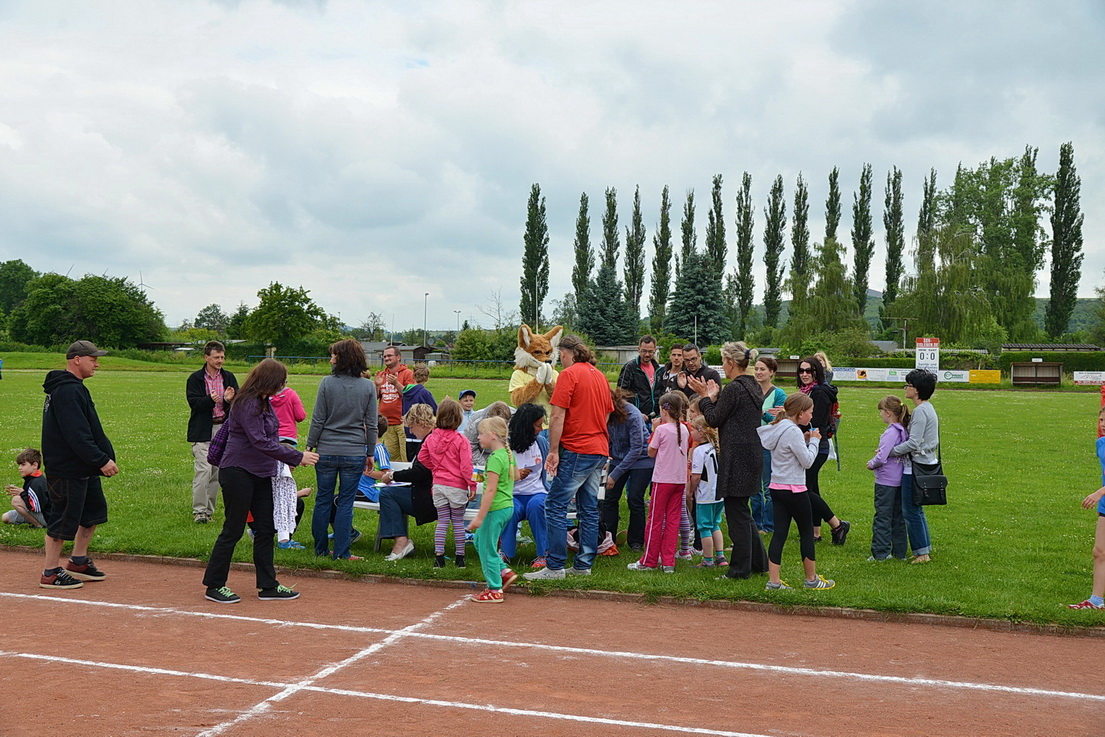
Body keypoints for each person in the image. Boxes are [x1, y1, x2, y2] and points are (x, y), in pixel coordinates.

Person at [202, 358, 319, 603]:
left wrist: (286, 459)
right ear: (268, 380)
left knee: (266, 528)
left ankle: (268, 585)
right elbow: (260, 441)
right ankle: (214, 585)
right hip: (238, 472)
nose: (282, 387)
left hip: (261, 474)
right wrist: (297, 456)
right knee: (232, 529)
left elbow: (272, 440)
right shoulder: (246, 402)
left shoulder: (265, 403)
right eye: (280, 382)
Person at [524, 334, 613, 580]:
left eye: (560, 354)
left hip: (578, 448)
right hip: (598, 448)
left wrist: (553, 450)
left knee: (554, 504)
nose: (559, 359)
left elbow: (556, 415)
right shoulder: (599, 375)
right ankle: (583, 565)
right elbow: (607, 414)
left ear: (569, 353)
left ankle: (554, 566)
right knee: (588, 508)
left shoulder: (569, 375)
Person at [39, 340, 118, 589]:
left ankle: (78, 561)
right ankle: (50, 572)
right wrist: (100, 459)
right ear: (77, 359)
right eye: (92, 359)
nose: (97, 363)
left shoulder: (75, 388)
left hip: (83, 466)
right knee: (63, 519)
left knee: (92, 512)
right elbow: (76, 433)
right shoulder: (67, 390)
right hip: (67, 468)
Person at [688, 341, 768, 580]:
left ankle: (739, 570)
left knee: (737, 516)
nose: (722, 366)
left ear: (732, 363)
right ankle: (758, 563)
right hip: (751, 454)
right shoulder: (752, 384)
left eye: (724, 361)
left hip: (738, 457)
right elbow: (725, 413)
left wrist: (704, 397)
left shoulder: (735, 388)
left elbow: (712, 419)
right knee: (743, 511)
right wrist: (712, 398)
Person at [307, 339, 377, 561]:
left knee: (323, 500)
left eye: (333, 355)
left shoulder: (326, 383)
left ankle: (320, 550)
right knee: (345, 502)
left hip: (326, 450)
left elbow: (318, 419)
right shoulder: (367, 386)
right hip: (354, 452)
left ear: (342, 358)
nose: (331, 359)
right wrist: (370, 452)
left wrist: (309, 445)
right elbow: (372, 423)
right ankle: (342, 552)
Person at [757, 393, 835, 590]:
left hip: (776, 487)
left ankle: (773, 581)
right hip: (795, 489)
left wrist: (805, 439)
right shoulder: (792, 431)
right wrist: (815, 441)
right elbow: (807, 461)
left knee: (780, 534)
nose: (811, 416)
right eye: (810, 412)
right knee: (807, 531)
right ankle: (811, 579)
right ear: (800, 414)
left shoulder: (779, 427)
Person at [628, 391, 690, 572]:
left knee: (655, 519)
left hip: (663, 480)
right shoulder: (684, 429)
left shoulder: (662, 430)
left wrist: (654, 429)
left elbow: (651, 452)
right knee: (672, 520)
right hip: (679, 480)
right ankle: (668, 562)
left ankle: (649, 560)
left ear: (664, 410)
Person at [796, 356, 850, 545]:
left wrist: (792, 424)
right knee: (811, 487)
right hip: (812, 444)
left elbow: (815, 423)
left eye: (808, 371)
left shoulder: (818, 393)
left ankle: (837, 524)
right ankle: (815, 531)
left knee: (804, 488)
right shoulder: (808, 392)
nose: (804, 374)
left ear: (816, 372)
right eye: (801, 371)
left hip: (817, 445)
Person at [467, 416, 520, 603]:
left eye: (481, 433)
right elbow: (515, 476)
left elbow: (490, 490)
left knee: (487, 548)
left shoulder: (496, 458)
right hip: (506, 507)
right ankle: (504, 571)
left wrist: (480, 517)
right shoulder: (507, 454)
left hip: (495, 509)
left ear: (494, 435)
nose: (478, 437)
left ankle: (494, 589)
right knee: (479, 541)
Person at [186, 340, 239, 524]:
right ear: (206, 357)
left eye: (222, 357)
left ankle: (209, 512)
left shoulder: (229, 377)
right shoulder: (195, 379)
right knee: (203, 470)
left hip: (223, 429)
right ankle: (199, 511)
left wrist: (228, 400)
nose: (220, 360)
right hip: (202, 430)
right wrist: (210, 399)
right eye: (216, 357)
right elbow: (194, 403)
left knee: (217, 472)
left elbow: (237, 403)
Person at [378, 404, 439, 561]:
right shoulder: (438, 436)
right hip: (442, 494)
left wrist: (393, 476)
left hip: (430, 499)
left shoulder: (430, 441)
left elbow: (421, 472)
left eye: (411, 427)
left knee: (387, 493)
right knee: (392, 493)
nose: (410, 432)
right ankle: (401, 540)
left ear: (421, 423)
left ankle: (401, 541)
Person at [420, 398, 475, 568]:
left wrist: (435, 469)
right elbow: (466, 467)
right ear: (458, 418)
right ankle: (460, 557)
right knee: (458, 522)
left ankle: (439, 557)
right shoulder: (461, 440)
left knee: (442, 521)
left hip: (438, 485)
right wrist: (471, 484)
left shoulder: (431, 438)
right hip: (457, 486)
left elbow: (422, 457)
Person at [890, 368, 937, 564]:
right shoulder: (929, 408)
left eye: (908, 385)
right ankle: (923, 548)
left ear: (916, 389)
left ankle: (922, 553)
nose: (906, 388)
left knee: (911, 510)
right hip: (924, 465)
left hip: (915, 468)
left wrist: (889, 452)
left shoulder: (920, 411)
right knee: (917, 509)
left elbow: (913, 443)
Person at [603, 388, 654, 553]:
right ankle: (607, 538)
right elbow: (607, 440)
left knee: (634, 498)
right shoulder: (606, 414)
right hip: (618, 459)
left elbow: (637, 449)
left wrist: (615, 474)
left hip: (641, 460)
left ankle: (636, 541)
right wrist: (607, 460)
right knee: (609, 498)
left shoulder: (633, 415)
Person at [502, 403, 550, 568]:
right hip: (512, 493)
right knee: (510, 509)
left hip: (537, 492)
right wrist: (513, 475)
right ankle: (506, 552)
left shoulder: (542, 443)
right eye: (537, 425)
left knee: (537, 506)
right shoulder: (505, 446)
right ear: (526, 426)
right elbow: (495, 472)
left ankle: (543, 554)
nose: (541, 428)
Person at [1068, 406, 1105, 609]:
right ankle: (1096, 601)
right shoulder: (1100, 443)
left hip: (1102, 496)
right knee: (1099, 552)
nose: (1103, 424)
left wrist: (1099, 492)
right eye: (1101, 420)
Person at [867, 396, 910, 562]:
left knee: (883, 516)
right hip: (900, 479)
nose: (880, 416)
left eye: (881, 412)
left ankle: (880, 553)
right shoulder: (903, 430)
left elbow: (881, 457)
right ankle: (900, 552)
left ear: (888, 413)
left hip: (885, 481)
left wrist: (871, 464)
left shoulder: (890, 432)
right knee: (898, 516)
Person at [269, 382, 308, 549]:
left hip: (270, 438)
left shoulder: (265, 395)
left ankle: (260, 530)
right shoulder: (291, 394)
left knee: (276, 476)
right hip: (288, 438)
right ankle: (284, 538)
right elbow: (300, 416)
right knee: (284, 479)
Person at [754, 356, 787, 534]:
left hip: (768, 445)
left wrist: (763, 414)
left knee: (768, 487)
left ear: (771, 372)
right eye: (757, 369)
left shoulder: (778, 394)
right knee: (753, 487)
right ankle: (755, 523)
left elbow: (779, 420)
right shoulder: (751, 389)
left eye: (763, 369)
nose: (758, 372)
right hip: (751, 442)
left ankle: (768, 525)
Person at [689, 417, 727, 568]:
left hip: (705, 495)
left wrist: (691, 491)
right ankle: (721, 556)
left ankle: (708, 559)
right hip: (718, 494)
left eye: (693, 429)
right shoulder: (716, 446)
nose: (691, 432)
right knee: (715, 525)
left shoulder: (699, 450)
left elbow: (697, 476)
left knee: (704, 527)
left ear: (702, 433)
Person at [375, 345, 415, 462]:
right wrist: (377, 385)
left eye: (389, 355)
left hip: (403, 423)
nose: (386, 358)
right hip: (387, 423)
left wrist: (396, 383)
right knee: (391, 458)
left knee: (406, 457)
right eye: (385, 356)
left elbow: (410, 395)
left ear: (398, 357)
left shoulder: (407, 374)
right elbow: (376, 397)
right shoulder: (382, 375)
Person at [617, 335, 661, 420]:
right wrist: (635, 413)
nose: (647, 354)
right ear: (638, 349)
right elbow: (620, 394)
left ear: (655, 350)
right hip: (636, 418)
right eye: (644, 351)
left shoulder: (658, 370)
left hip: (655, 419)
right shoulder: (630, 368)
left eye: (650, 351)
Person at [4, 448, 49, 528]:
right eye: (19, 465)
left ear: (35, 465)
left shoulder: (37, 483)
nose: (19, 468)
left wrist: (22, 494)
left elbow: (36, 508)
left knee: (16, 500)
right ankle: (32, 520)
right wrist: (23, 494)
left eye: (23, 465)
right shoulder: (31, 479)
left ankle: (38, 525)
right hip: (35, 513)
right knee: (5, 517)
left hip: (46, 517)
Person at [402, 363, 438, 460]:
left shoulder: (406, 392)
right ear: (426, 378)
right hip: (422, 433)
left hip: (408, 432)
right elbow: (435, 410)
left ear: (413, 375)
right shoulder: (424, 393)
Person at [464, 401, 514, 466]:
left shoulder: (516, 418)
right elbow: (470, 447)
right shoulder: (475, 422)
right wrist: (485, 465)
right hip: (483, 458)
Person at [357, 416, 392, 503]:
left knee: (339, 499)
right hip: (359, 488)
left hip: (370, 491)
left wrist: (367, 472)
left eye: (365, 427)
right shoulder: (364, 447)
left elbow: (386, 473)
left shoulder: (379, 449)